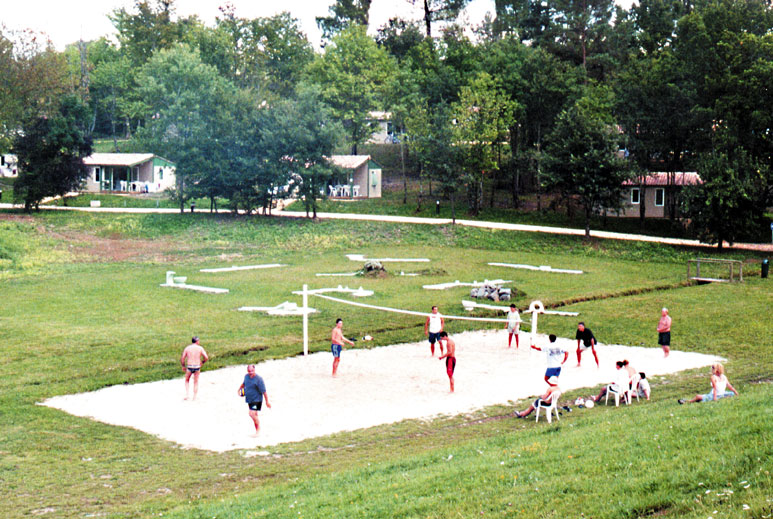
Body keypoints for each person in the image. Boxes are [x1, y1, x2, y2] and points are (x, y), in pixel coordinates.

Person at [239, 364, 271, 436]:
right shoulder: (246, 377)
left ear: (254, 370)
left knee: (252, 414)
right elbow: (244, 384)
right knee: (255, 415)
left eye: (252, 371)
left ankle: (258, 430)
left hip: (257, 399)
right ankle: (257, 430)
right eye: (249, 371)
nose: (250, 372)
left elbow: (264, 391)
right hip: (249, 399)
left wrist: (267, 402)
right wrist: (239, 389)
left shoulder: (259, 379)